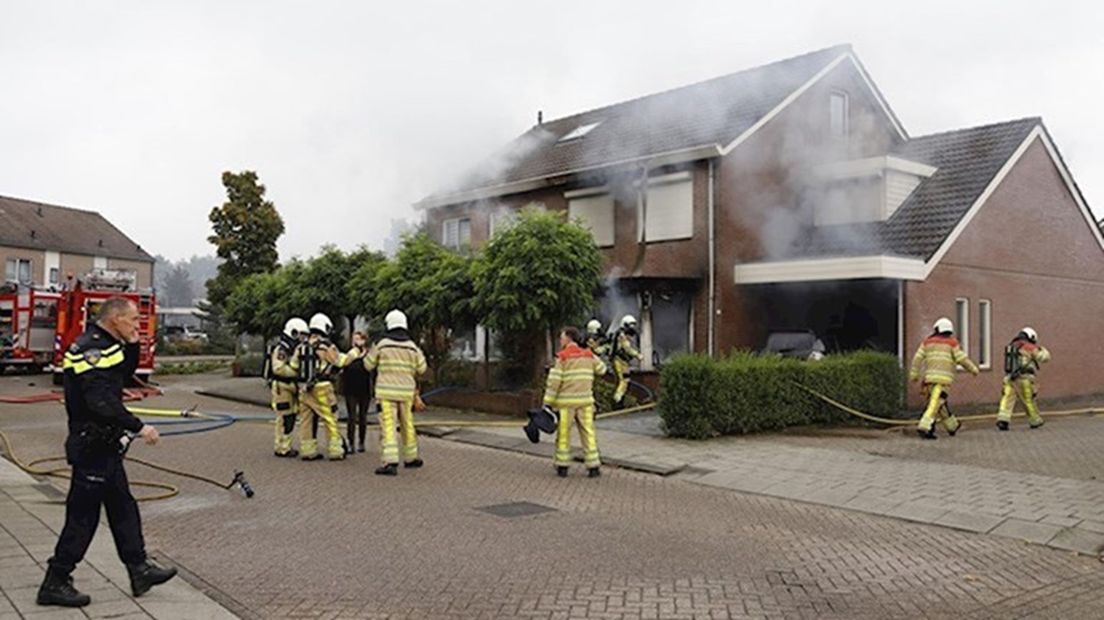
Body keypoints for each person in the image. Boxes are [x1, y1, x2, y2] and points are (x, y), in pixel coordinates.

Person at [37, 297, 176, 608]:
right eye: (132, 320)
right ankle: (55, 580)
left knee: (123, 508)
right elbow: (100, 402)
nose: (137, 324)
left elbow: (122, 376)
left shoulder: (108, 345)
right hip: (92, 447)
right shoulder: (91, 350)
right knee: (83, 517)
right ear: (114, 319)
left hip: (105, 447)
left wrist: (134, 343)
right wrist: (140, 427)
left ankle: (138, 569)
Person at [363, 310, 427, 476]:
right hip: (406, 394)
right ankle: (411, 458)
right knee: (408, 425)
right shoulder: (412, 347)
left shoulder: (382, 344)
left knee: (389, 427)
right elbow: (422, 368)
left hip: (386, 394)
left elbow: (368, 365)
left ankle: (390, 462)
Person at [545, 326, 607, 477]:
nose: (560, 340)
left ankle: (562, 466)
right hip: (585, 402)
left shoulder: (562, 357)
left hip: (566, 404)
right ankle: (593, 467)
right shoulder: (588, 355)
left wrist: (548, 402)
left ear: (568, 338)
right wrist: (591, 352)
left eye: (562, 337)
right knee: (588, 433)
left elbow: (554, 382)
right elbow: (602, 369)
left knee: (564, 434)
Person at [909, 317, 979, 440]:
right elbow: (962, 359)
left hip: (929, 380)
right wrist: (973, 369)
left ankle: (952, 426)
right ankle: (924, 427)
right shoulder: (952, 343)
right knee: (935, 405)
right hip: (943, 382)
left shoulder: (927, 342)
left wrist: (914, 375)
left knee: (940, 405)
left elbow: (917, 359)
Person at [295, 313, 350, 460]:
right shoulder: (325, 346)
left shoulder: (302, 346)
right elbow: (338, 361)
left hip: (304, 388)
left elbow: (294, 365)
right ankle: (335, 451)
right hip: (322, 388)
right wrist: (354, 354)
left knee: (306, 420)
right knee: (330, 418)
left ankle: (307, 451)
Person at [996, 326, 1051, 431]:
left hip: (1009, 378)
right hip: (1024, 378)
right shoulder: (1028, 347)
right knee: (1028, 400)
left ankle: (1003, 420)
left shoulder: (1012, 345)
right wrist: (1043, 349)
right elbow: (1044, 358)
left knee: (1007, 399)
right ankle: (1035, 420)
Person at [270, 317, 308, 457]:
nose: (302, 339)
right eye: (300, 335)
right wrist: (294, 371)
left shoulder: (292, 348)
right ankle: (281, 447)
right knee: (284, 418)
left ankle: (285, 445)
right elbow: (278, 369)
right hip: (282, 387)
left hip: (290, 387)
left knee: (291, 418)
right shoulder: (282, 349)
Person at [341, 330, 373, 452]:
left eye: (359, 339)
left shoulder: (369, 355)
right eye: (354, 339)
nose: (355, 342)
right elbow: (344, 366)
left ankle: (361, 442)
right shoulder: (349, 355)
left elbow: (369, 368)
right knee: (351, 416)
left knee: (363, 417)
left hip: (364, 388)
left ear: (364, 340)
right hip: (350, 388)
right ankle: (351, 442)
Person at [610, 315, 643, 407]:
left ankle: (620, 401)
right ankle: (617, 401)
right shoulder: (621, 335)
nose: (632, 329)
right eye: (630, 326)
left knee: (625, 380)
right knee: (623, 380)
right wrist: (637, 355)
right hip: (619, 361)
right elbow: (627, 348)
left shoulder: (623, 334)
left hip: (623, 361)